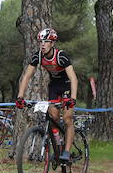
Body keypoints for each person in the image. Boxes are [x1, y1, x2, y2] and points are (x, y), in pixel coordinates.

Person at [15, 28, 78, 165]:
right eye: (41, 42)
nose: (43, 44)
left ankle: (67, 151)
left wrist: (72, 98)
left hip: (67, 85)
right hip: (54, 87)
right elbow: (26, 76)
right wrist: (20, 97)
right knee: (53, 117)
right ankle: (58, 144)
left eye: (46, 41)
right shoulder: (37, 56)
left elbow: (73, 78)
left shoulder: (61, 56)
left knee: (67, 119)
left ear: (53, 43)